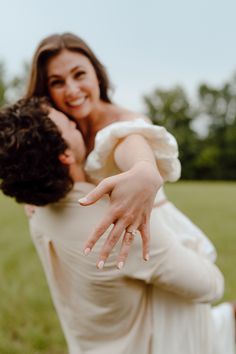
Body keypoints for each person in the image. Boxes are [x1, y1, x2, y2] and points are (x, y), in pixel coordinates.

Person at [0, 98, 235, 354]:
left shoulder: (38, 211)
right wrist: (155, 205)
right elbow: (211, 285)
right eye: (68, 123)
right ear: (65, 155)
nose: (74, 120)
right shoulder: (120, 223)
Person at [24, 32, 181, 267]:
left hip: (155, 234)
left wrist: (144, 167)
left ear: (97, 75)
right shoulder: (61, 134)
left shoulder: (124, 121)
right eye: (57, 82)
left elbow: (131, 139)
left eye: (79, 75)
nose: (72, 89)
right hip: (100, 244)